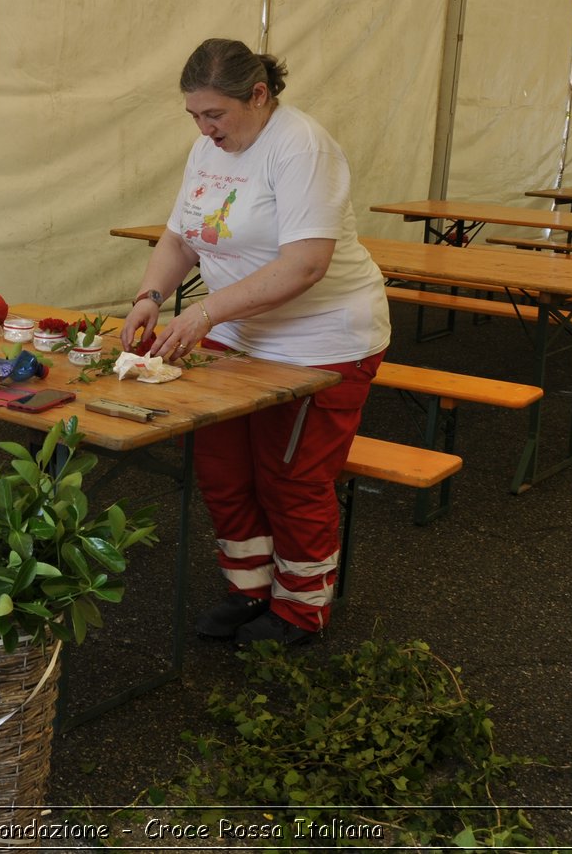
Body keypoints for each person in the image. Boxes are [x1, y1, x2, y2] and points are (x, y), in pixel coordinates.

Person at [119, 38, 390, 647]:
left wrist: (207, 313)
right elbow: (179, 239)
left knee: (290, 478)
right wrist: (149, 299)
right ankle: (250, 591)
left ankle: (301, 607)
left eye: (214, 114)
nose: (204, 128)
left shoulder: (301, 147)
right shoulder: (206, 150)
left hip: (319, 343)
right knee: (223, 470)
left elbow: (305, 265)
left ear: (260, 95)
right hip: (234, 333)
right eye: (194, 115)